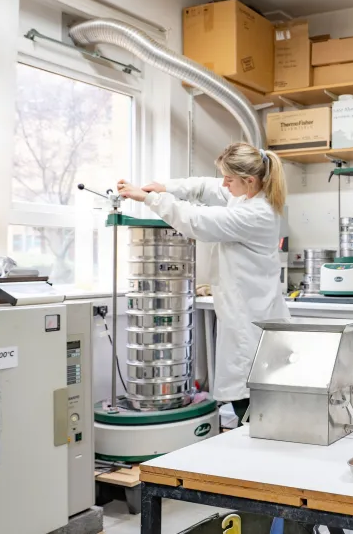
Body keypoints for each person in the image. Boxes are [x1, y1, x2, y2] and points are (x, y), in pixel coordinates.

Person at [117, 142, 290, 426]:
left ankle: (258, 450)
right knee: (246, 390)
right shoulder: (245, 196)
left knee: (248, 395)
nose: (224, 184)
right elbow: (205, 188)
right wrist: (166, 187)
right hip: (247, 311)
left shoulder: (255, 213)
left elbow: (197, 221)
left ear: (249, 180)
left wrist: (150, 200)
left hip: (251, 318)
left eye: (229, 178)